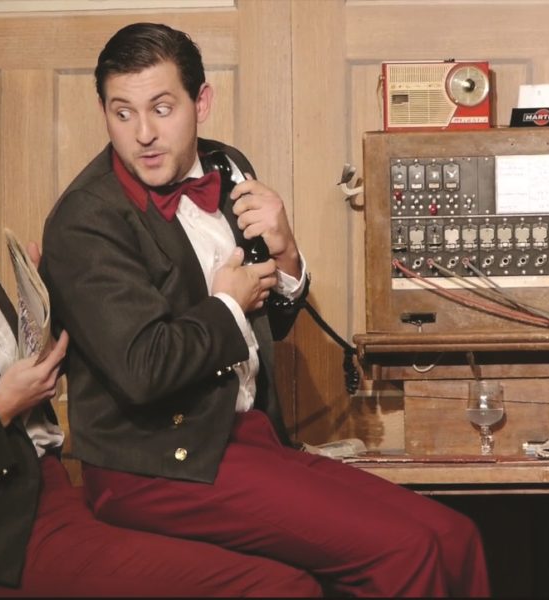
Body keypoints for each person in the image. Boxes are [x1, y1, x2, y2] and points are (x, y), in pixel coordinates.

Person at [40, 21, 491, 598]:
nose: (143, 134)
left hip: (249, 438)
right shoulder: (86, 220)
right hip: (158, 463)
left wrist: (287, 253)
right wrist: (227, 303)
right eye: (122, 113)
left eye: (161, 108)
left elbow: (265, 325)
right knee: (407, 551)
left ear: (202, 103)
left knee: (453, 535)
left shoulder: (227, 165)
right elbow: (143, 371)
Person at [0, 111, 323, 597]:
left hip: (61, 488)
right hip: (5, 540)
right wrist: (0, 409)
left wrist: (54, 320)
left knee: (295, 561)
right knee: (279, 587)